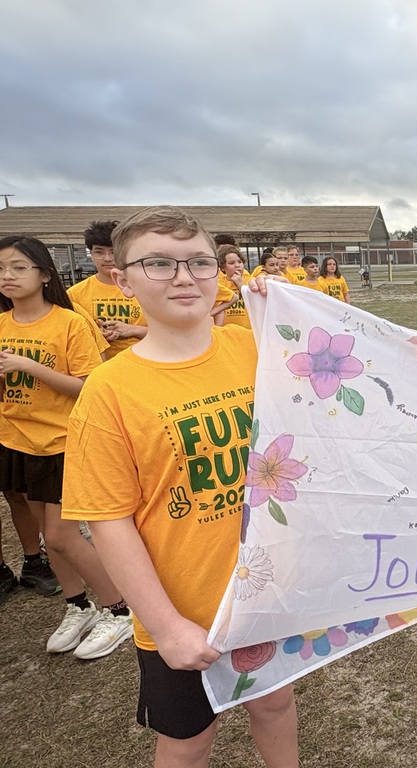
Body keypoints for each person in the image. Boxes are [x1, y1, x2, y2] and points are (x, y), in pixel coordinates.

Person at [62, 207, 299, 765]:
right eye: (160, 264)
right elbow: (108, 519)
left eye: (199, 262)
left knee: (274, 703)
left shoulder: (251, 348)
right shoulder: (109, 391)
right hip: (183, 606)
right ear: (122, 279)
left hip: (263, 591)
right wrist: (166, 626)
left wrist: (284, 309)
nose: (184, 277)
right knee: (189, 738)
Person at [0, 236, 133, 658]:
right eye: (2, 267)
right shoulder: (1, 323)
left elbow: (87, 387)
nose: (8, 275)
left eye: (19, 267)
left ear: (44, 274)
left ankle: (121, 609)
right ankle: (78, 605)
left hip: (62, 441)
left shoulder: (70, 323)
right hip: (17, 440)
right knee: (46, 533)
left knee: (61, 537)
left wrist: (28, 366)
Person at [68, 220, 148, 357]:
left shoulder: (147, 289)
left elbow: (171, 334)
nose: (107, 258)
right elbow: (68, 336)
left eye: (113, 252)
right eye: (99, 252)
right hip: (97, 367)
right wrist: (95, 333)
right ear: (91, 254)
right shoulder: (74, 294)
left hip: (142, 363)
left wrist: (133, 330)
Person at [216, 245, 250, 330]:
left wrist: (240, 285)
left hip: (248, 331)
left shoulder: (251, 281)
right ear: (223, 268)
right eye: (231, 263)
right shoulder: (219, 284)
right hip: (226, 331)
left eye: (240, 262)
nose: (237, 265)